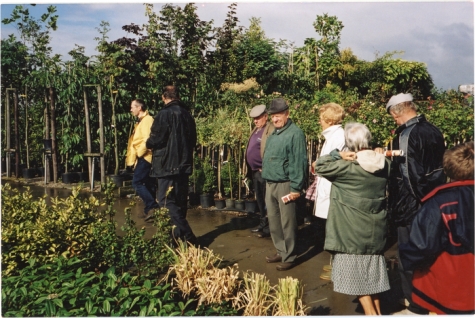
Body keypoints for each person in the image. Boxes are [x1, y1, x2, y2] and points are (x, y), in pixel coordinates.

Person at [315, 122, 391, 315]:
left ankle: (372, 315)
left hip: (350, 232)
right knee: (372, 278)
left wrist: (337, 154)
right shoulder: (384, 164)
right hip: (375, 230)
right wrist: (378, 151)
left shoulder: (346, 169)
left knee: (359, 280)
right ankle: (378, 313)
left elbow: (318, 165)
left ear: (349, 144)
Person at [384, 93, 446, 315]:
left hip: (412, 204)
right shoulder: (433, 130)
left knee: (409, 254)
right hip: (433, 200)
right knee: (431, 252)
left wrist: (420, 201)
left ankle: (415, 302)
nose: (394, 121)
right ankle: (433, 296)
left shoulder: (407, 135)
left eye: (393, 117)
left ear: (396, 112)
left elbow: (410, 175)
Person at [398, 141, 474, 315]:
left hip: (447, 286)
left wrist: (406, 256)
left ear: (446, 168)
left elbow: (421, 247)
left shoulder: (437, 203)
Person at [146, 85, 197, 244]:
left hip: (166, 165)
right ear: (178, 97)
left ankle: (188, 236)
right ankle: (176, 238)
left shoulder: (163, 114)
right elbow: (193, 140)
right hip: (183, 164)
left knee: (166, 202)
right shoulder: (187, 115)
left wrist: (148, 142)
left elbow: (156, 139)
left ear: (164, 97)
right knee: (180, 202)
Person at [261, 98, 308, 271]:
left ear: (287, 114)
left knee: (288, 222)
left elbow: (299, 162)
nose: (275, 119)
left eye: (278, 116)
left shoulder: (295, 133)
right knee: (274, 220)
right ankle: (280, 250)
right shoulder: (274, 132)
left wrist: (296, 188)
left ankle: (290, 256)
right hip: (271, 183)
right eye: (273, 116)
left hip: (285, 184)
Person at [311, 103, 346, 280]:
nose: (319, 121)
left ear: (329, 120)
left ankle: (338, 268)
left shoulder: (338, 136)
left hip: (332, 187)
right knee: (330, 227)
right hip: (327, 185)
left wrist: (318, 166)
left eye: (321, 117)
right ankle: (334, 264)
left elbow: (332, 163)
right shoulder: (332, 135)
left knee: (335, 228)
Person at [244, 104, 275, 238]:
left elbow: (272, 151)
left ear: (265, 117)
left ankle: (268, 227)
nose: (255, 121)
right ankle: (263, 223)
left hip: (264, 171)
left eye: (258, 118)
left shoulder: (270, 130)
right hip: (255, 171)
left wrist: (267, 167)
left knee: (267, 199)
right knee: (260, 199)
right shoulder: (256, 130)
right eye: (254, 119)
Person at [125, 99, 159, 218]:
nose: (131, 109)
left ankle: (152, 206)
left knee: (137, 182)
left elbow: (147, 139)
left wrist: (140, 153)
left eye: (132, 107)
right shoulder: (141, 121)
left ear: (139, 108)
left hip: (146, 156)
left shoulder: (147, 120)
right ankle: (150, 210)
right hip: (142, 156)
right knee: (148, 183)